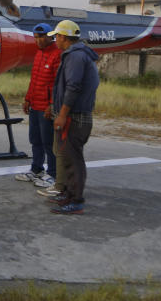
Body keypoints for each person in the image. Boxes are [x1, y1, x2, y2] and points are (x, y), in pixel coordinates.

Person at [46, 20, 99, 215]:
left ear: (64, 37)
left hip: (74, 117)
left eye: (56, 37)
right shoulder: (77, 54)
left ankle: (76, 201)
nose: (55, 40)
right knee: (68, 157)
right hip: (75, 115)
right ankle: (69, 194)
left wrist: (62, 114)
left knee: (73, 158)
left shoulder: (75, 57)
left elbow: (73, 87)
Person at [16, 23, 61, 188]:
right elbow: (34, 79)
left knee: (48, 142)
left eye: (42, 37)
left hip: (46, 108)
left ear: (51, 36)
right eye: (36, 37)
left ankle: (53, 174)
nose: (39, 40)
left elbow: (58, 84)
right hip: (35, 105)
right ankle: (36, 169)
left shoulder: (57, 54)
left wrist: (52, 105)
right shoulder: (39, 54)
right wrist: (28, 98)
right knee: (35, 140)